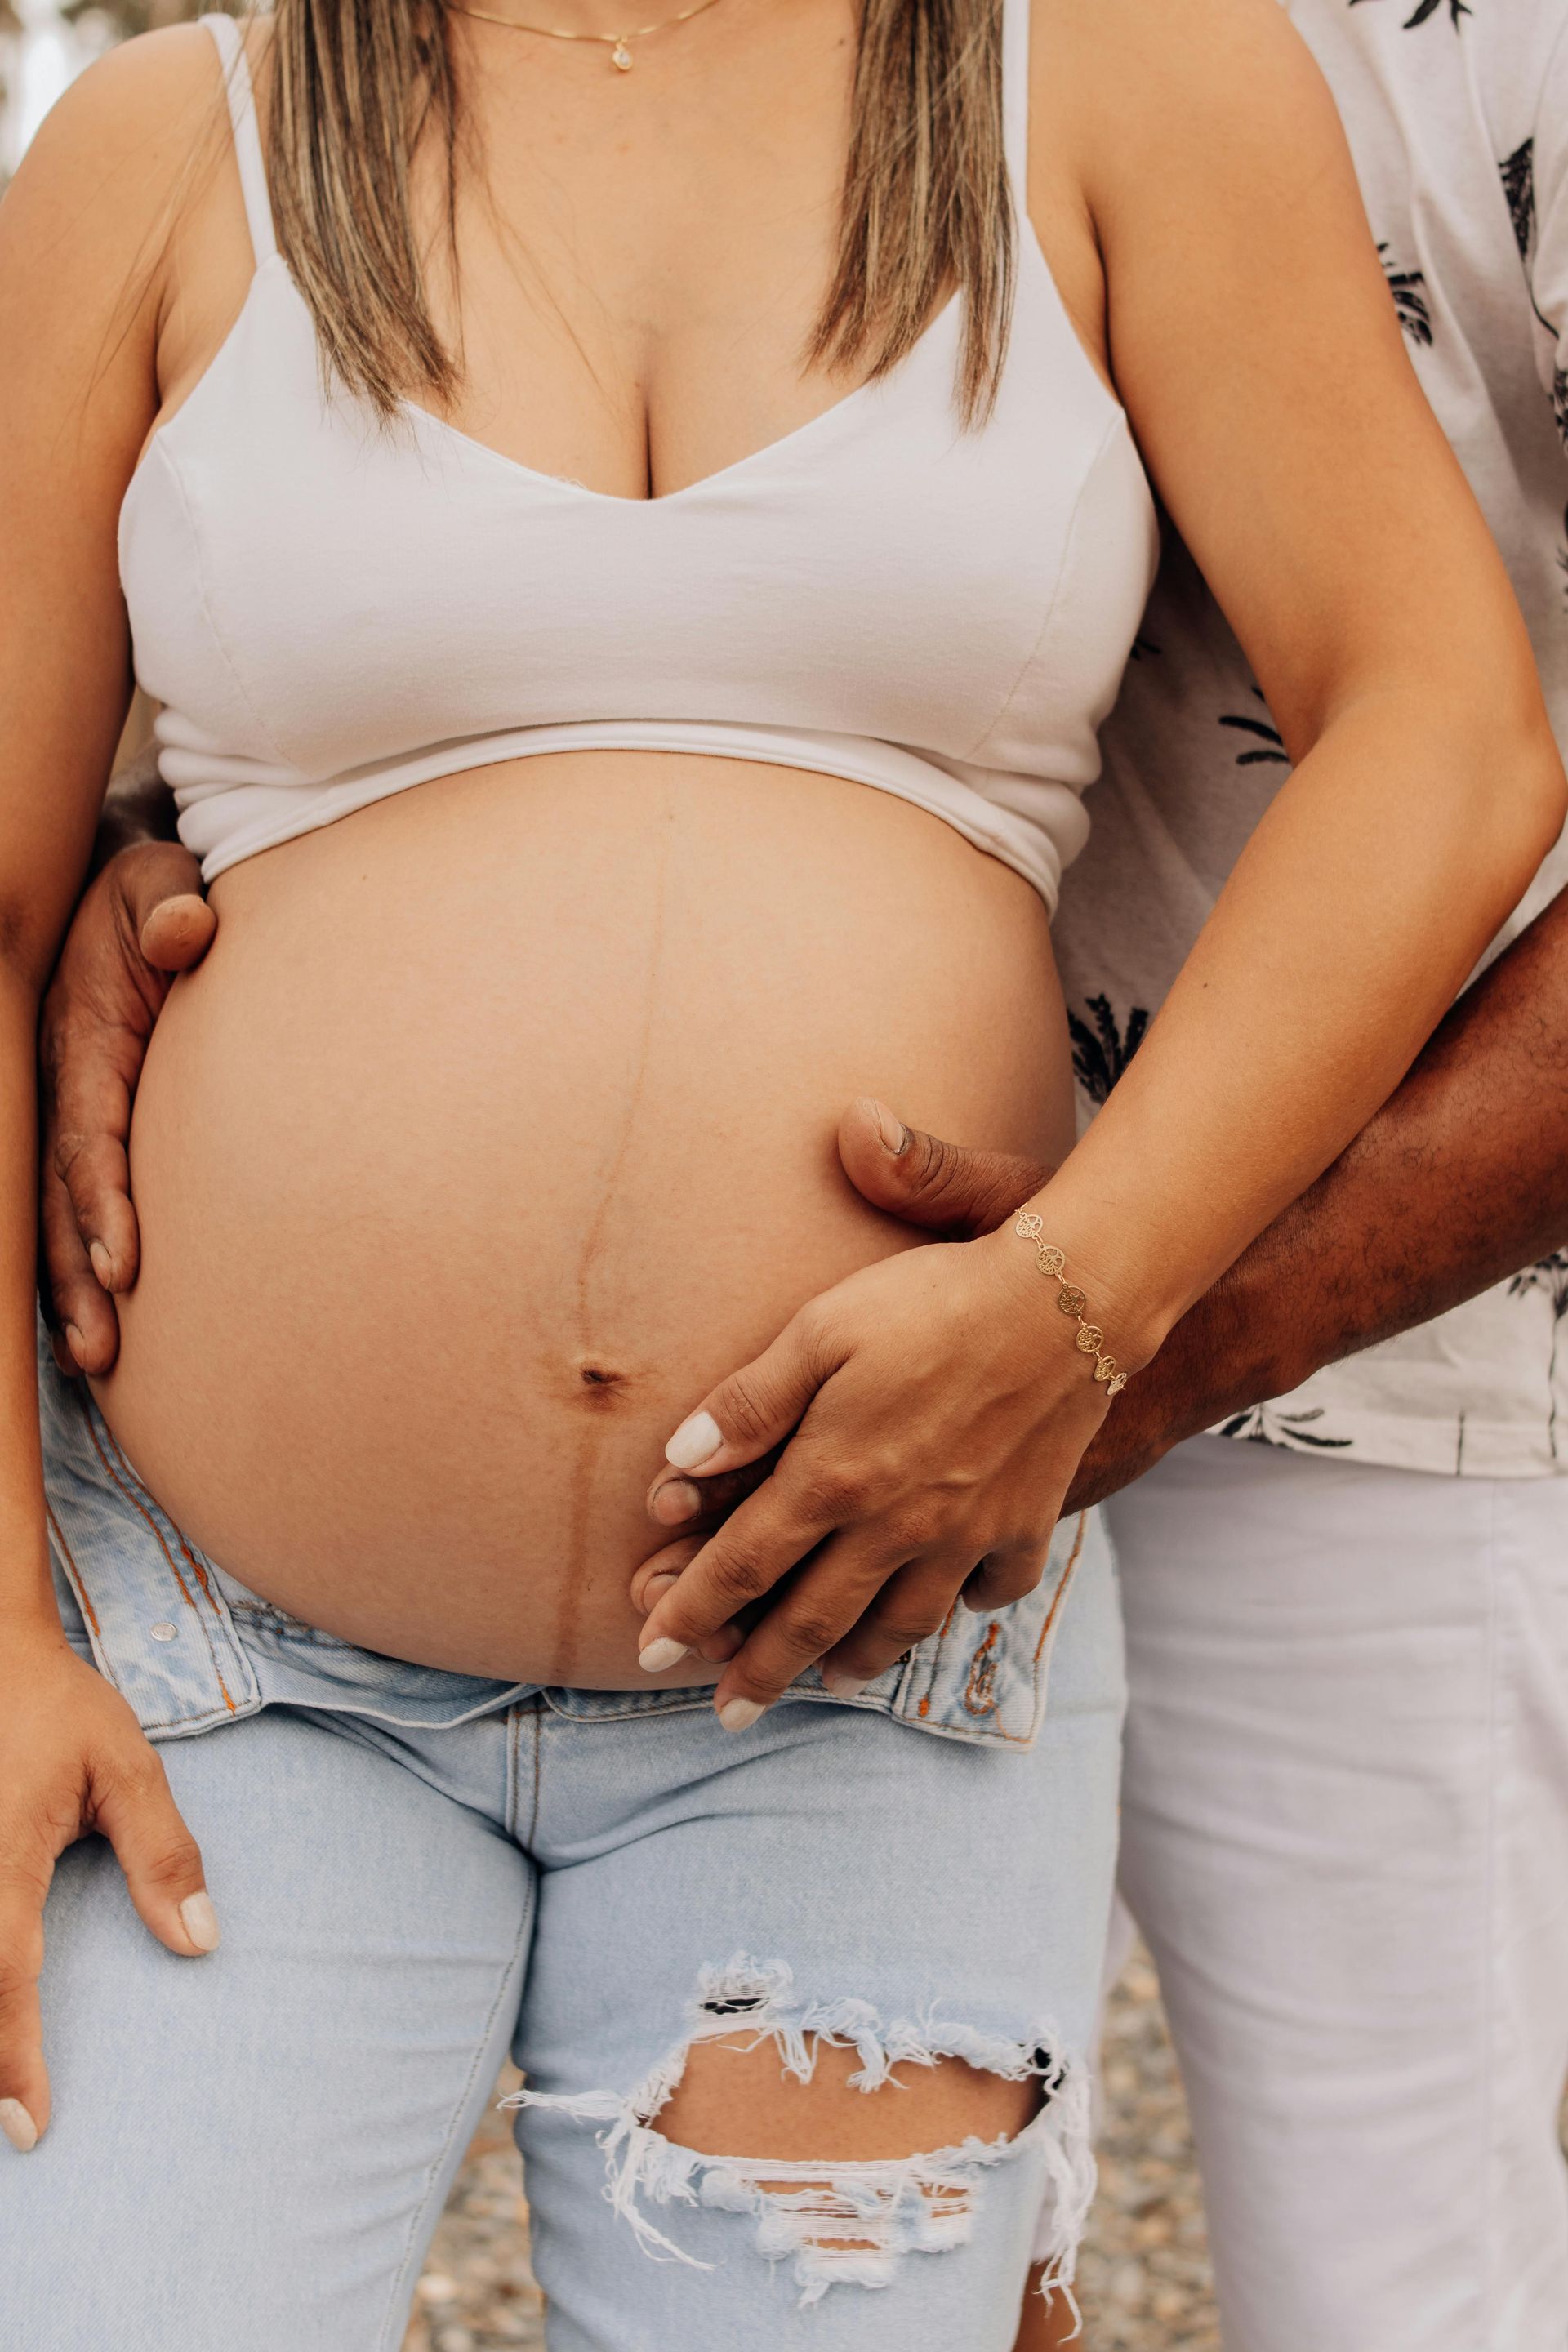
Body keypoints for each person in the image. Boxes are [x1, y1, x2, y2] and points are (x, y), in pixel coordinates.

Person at [4, 2, 1561, 2348]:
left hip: (865, 1649)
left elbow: (1446, 730)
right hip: (228, 1664)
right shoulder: (161, 140)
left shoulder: (1132, 81)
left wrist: (1079, 1302)